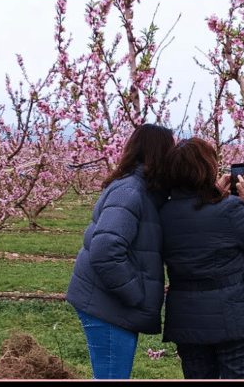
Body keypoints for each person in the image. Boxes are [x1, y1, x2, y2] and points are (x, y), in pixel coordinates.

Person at [159, 137, 244, 379]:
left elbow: (197, 217)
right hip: (235, 320)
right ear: (208, 169)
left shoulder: (162, 213)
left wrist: (214, 194)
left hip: (187, 321)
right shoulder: (229, 209)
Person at [66, 123, 175, 379]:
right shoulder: (130, 192)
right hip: (108, 305)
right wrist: (136, 293)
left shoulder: (141, 190)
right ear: (158, 153)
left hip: (110, 301)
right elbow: (105, 250)